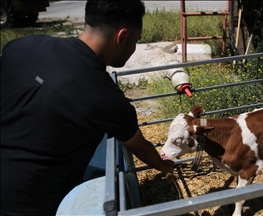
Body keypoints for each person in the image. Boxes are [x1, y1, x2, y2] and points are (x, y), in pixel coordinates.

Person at [0, 0, 175, 215]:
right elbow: (140, 147)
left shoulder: (21, 46)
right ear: (122, 37)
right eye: (135, 41)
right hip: (29, 205)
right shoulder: (106, 97)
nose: (134, 48)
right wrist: (165, 166)